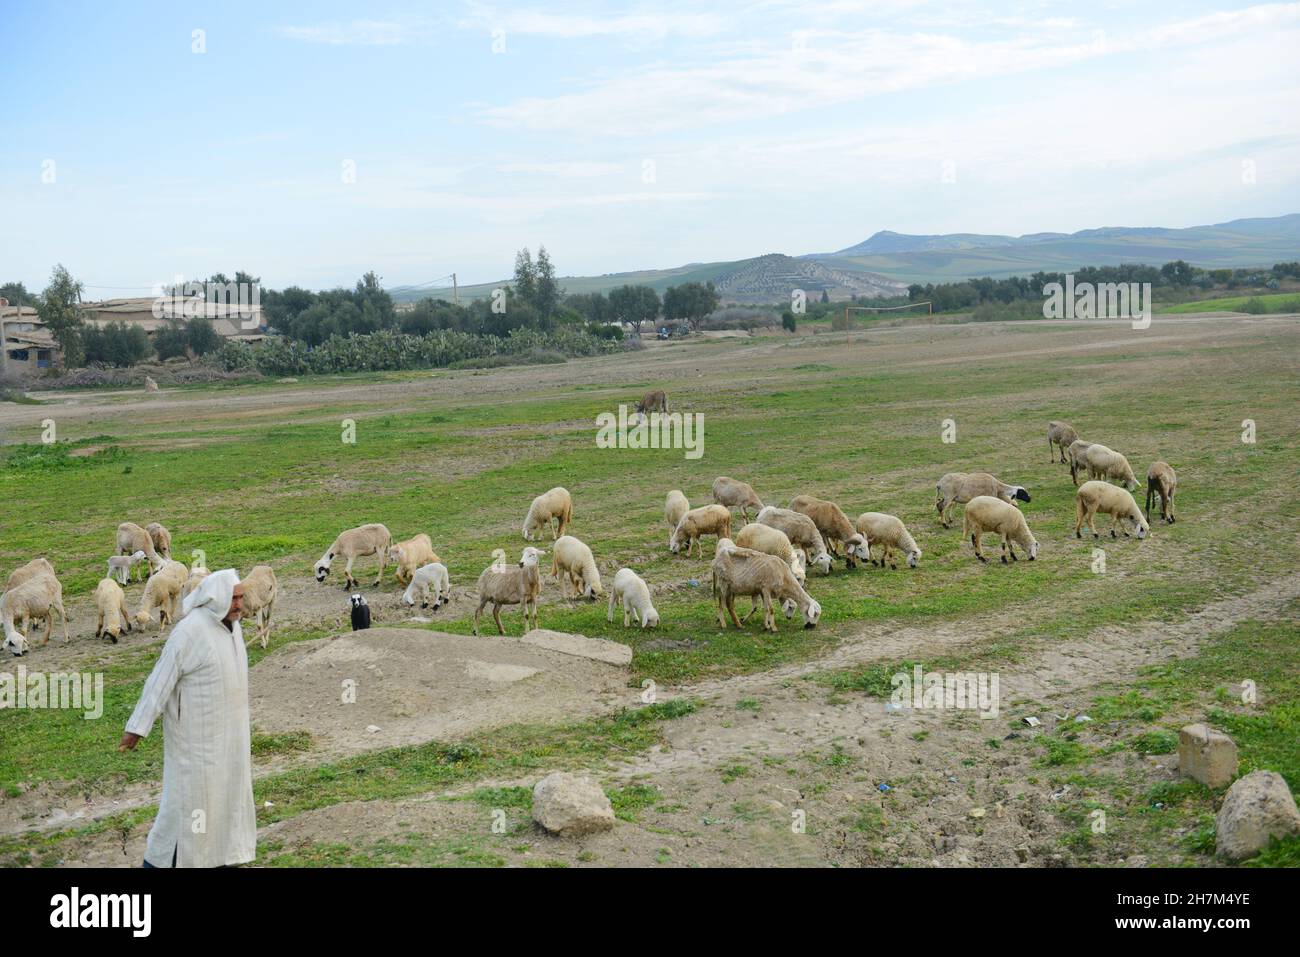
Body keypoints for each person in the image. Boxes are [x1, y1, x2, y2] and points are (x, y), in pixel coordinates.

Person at [119, 569, 256, 868]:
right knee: (184, 809)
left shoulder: (233, 629)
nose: (239, 604)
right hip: (196, 745)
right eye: (233, 598)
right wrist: (137, 727)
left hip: (230, 742)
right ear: (216, 597)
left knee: (224, 806)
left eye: (240, 597)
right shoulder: (190, 631)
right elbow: (160, 680)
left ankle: (216, 861)